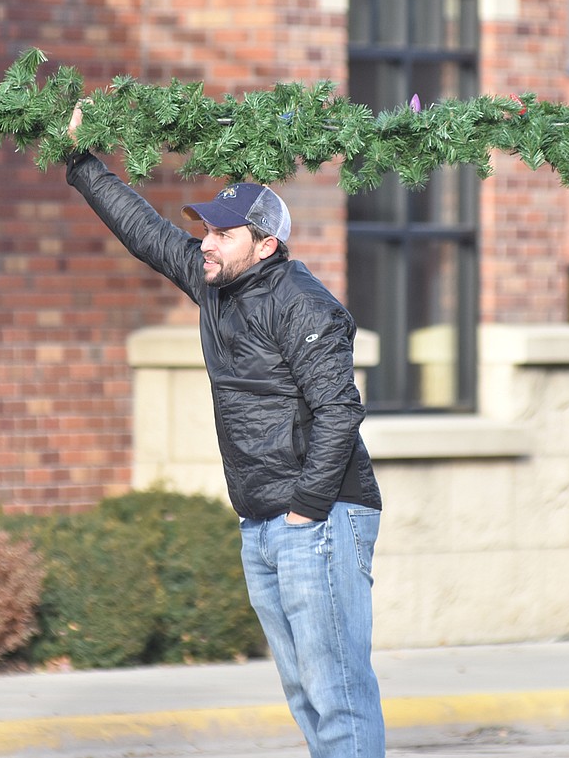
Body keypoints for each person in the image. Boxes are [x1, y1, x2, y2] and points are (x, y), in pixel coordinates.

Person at [66, 104, 385, 758]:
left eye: (223, 232)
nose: (205, 241)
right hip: (263, 521)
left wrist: (304, 513)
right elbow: (145, 232)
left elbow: (338, 414)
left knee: (338, 690)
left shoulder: (305, 305)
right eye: (206, 229)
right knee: (304, 691)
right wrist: (79, 161)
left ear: (265, 243)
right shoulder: (213, 283)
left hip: (318, 518)